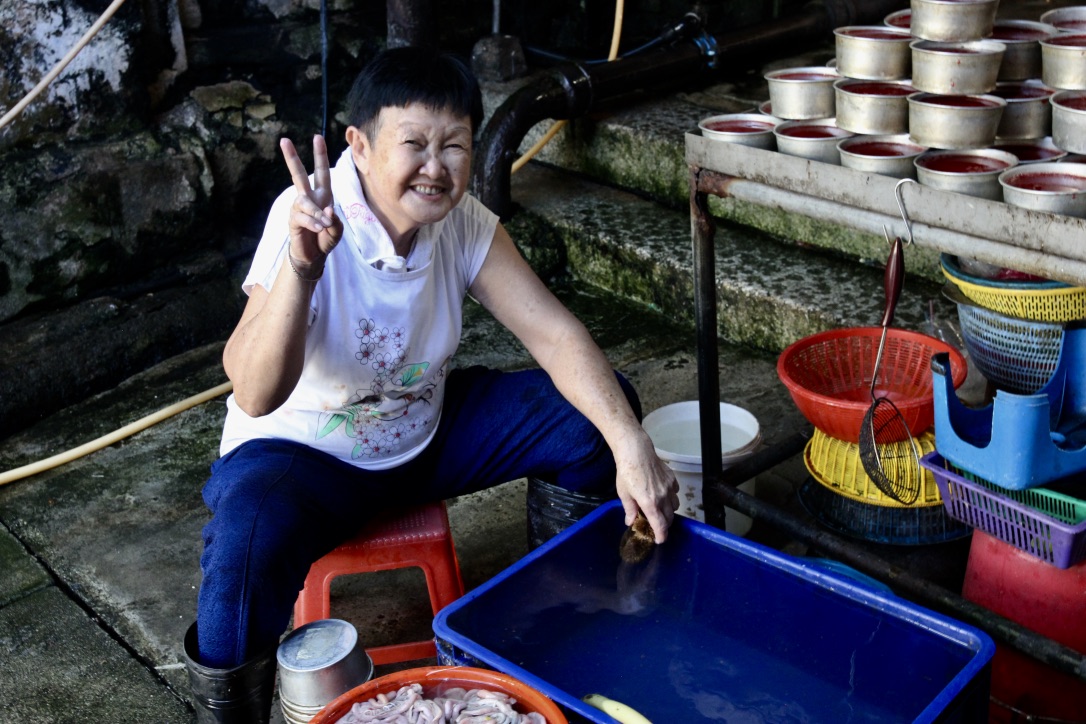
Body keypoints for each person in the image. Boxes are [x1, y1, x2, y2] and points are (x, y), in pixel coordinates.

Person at [183, 45, 679, 722]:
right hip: (304, 463)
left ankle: (568, 620)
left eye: (455, 146)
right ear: (359, 146)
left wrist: (631, 445)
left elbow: (555, 334)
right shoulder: (305, 217)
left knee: (598, 412)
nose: (435, 166)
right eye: (413, 143)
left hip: (424, 437)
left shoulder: (462, 222)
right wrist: (301, 269)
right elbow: (254, 392)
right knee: (240, 558)